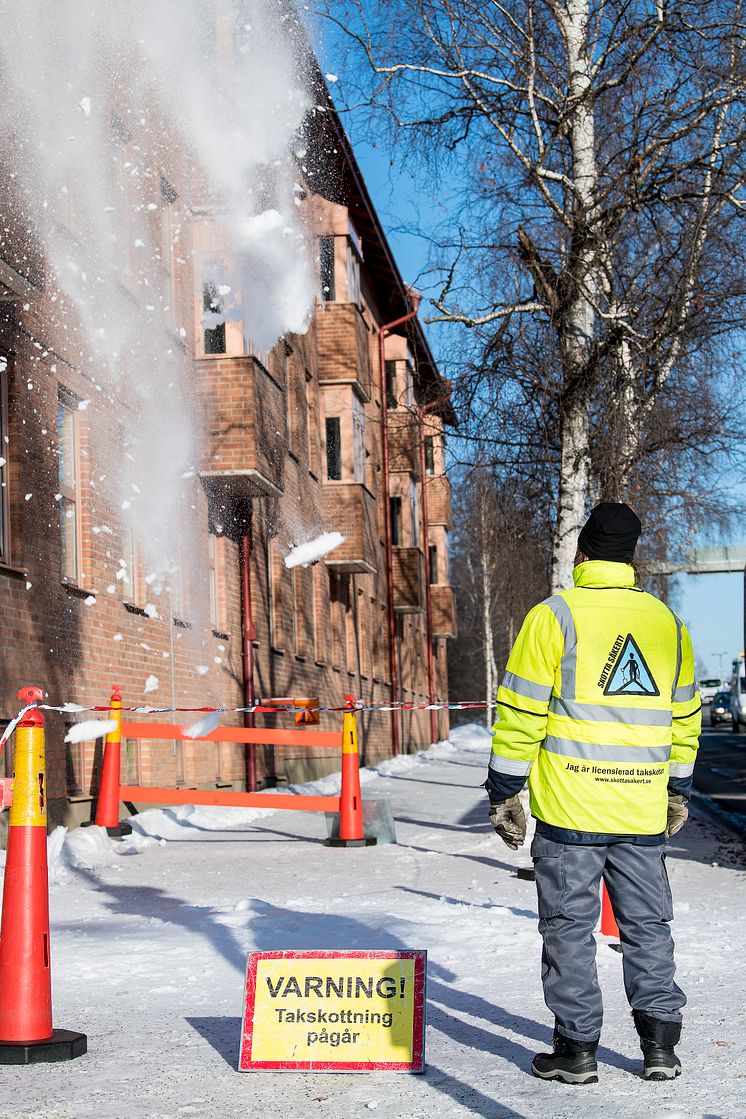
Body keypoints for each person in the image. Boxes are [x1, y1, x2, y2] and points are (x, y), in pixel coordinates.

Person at [486, 502, 700, 1085]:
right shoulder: (667, 624)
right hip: (641, 811)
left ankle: (577, 1051)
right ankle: (660, 1048)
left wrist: (505, 788)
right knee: (648, 927)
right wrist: (677, 789)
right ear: (632, 557)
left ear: (581, 553)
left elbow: (521, 712)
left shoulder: (554, 617)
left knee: (568, 929)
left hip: (570, 812)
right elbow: (685, 717)